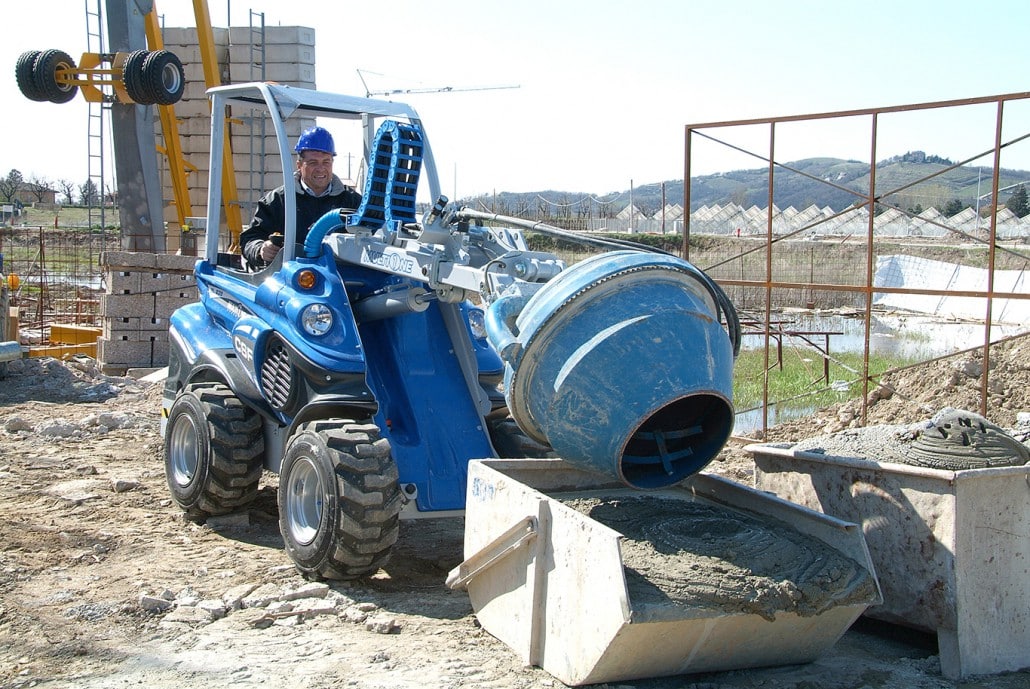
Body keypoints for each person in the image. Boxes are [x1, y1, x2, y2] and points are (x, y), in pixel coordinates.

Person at [240, 126, 362, 268]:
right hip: (289, 282)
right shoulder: (277, 200)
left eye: (326, 162)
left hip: (343, 282)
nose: (321, 168)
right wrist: (260, 249)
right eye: (313, 163)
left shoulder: (352, 202)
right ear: (299, 165)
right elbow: (249, 238)